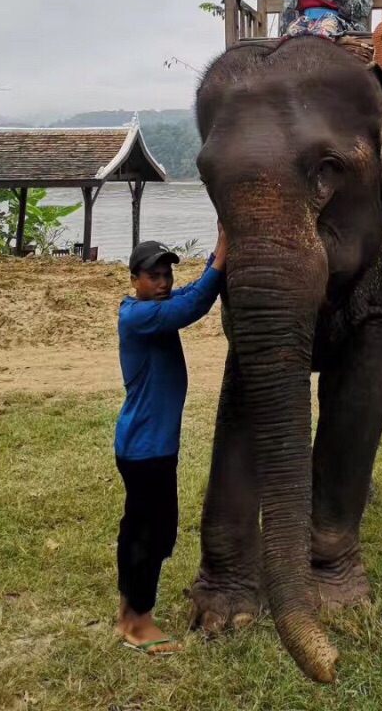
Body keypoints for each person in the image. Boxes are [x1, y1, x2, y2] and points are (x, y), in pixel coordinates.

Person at [114, 230, 227, 655]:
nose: (163, 283)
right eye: (154, 276)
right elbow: (193, 303)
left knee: (142, 531)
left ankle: (129, 612)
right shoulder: (139, 316)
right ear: (134, 279)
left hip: (148, 447)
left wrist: (217, 255)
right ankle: (137, 625)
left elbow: (189, 295)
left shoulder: (153, 310)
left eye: (166, 275)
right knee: (152, 535)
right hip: (147, 449)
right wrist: (221, 256)